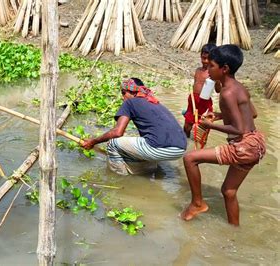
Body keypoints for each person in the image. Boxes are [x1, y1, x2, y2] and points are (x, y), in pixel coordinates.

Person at [181, 45, 266, 226]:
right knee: (228, 191)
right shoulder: (239, 87)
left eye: (211, 66)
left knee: (190, 159)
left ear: (224, 69)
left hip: (243, 146)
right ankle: (234, 231)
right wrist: (220, 115)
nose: (208, 70)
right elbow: (253, 114)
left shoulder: (226, 93)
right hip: (256, 144)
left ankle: (197, 203)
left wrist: (209, 124)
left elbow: (239, 130)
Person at [81, 78, 187, 175]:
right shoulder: (154, 102)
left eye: (123, 93)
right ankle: (148, 171)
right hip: (180, 149)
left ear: (133, 92)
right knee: (146, 141)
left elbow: (117, 132)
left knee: (112, 143)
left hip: (158, 148)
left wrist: (93, 141)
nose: (123, 98)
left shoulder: (130, 102)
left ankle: (119, 177)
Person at [183, 43, 219, 138]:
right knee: (187, 126)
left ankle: (201, 145)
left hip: (204, 101)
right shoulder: (198, 70)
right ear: (201, 56)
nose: (205, 61)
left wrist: (218, 81)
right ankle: (186, 143)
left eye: (208, 59)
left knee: (203, 127)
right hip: (193, 100)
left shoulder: (213, 73)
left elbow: (218, 90)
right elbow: (196, 84)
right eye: (203, 58)